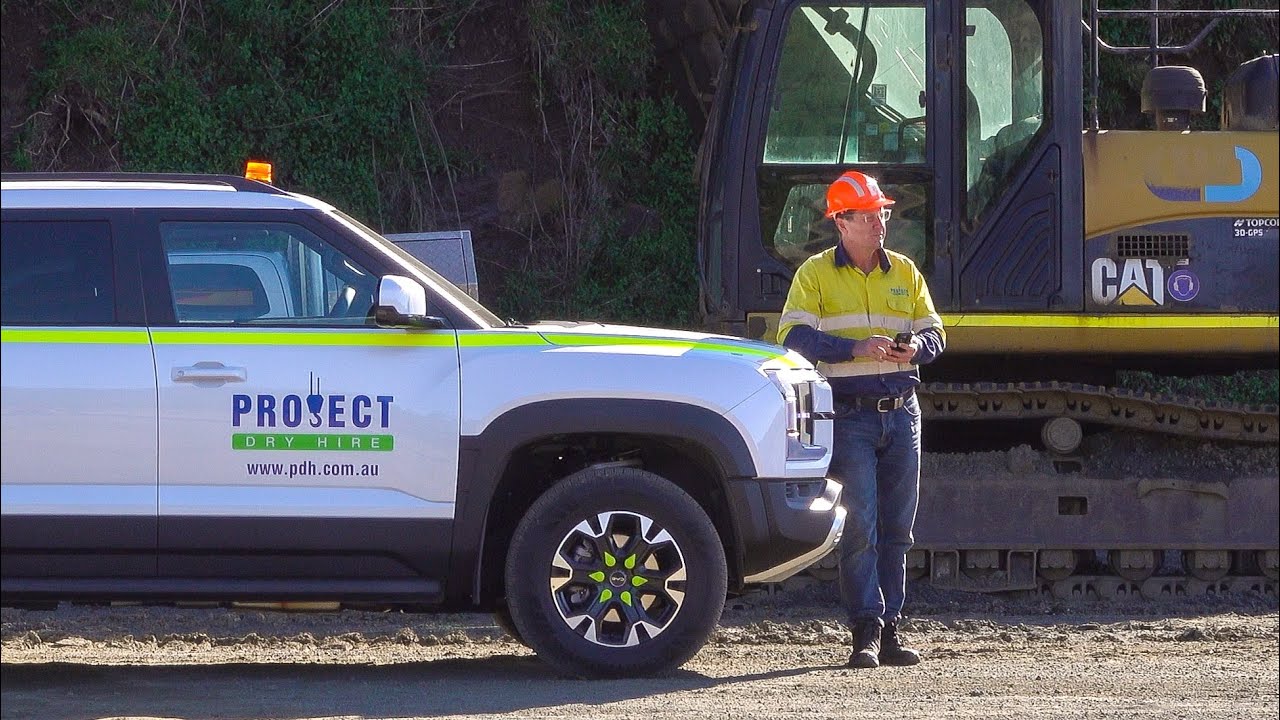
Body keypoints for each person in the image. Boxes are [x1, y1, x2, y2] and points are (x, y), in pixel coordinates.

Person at [777, 170, 945, 669]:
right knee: (862, 527)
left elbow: (935, 333)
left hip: (903, 415)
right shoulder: (813, 275)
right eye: (870, 216)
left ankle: (889, 628)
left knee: (897, 529)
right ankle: (866, 631)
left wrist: (917, 348)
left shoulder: (907, 273)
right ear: (842, 222)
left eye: (883, 214)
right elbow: (794, 338)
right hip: (850, 417)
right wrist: (855, 349)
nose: (880, 224)